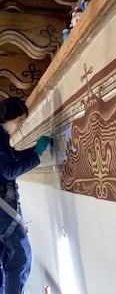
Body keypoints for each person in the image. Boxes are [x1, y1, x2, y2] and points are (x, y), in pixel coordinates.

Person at [0, 97, 50, 294]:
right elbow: (9, 171)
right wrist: (36, 154)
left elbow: (11, 159)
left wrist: (33, 152)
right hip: (3, 210)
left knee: (6, 260)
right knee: (20, 259)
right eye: (18, 122)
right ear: (6, 117)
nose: (19, 127)